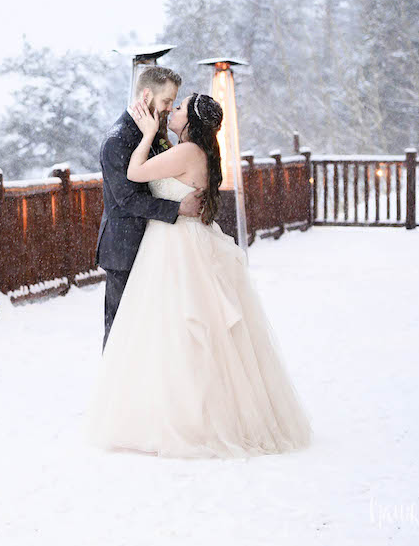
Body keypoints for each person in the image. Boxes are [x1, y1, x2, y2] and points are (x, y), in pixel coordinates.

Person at [85, 91, 313, 458]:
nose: (171, 112)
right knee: (180, 326)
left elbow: (134, 173)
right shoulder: (194, 151)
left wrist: (145, 136)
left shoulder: (188, 151)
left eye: (178, 107)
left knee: (179, 326)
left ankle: (184, 414)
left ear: (190, 120)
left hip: (176, 244)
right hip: (176, 238)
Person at [95, 66, 203, 350]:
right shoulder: (117, 140)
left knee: (153, 330)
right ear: (146, 95)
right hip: (125, 249)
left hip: (156, 246)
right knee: (121, 329)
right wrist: (178, 208)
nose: (169, 108)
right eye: (167, 101)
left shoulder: (154, 132)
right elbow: (127, 200)